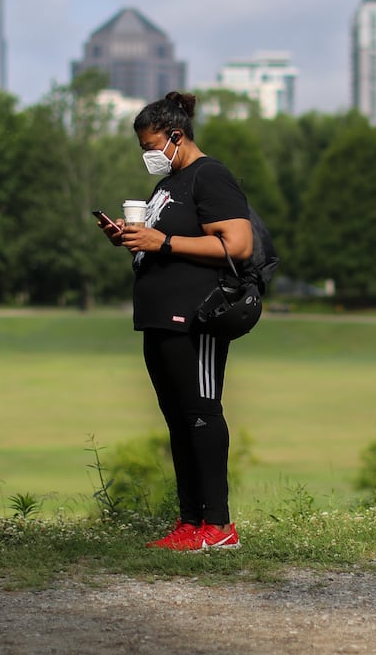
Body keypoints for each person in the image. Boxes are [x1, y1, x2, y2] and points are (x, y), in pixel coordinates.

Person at [97, 92, 253, 551]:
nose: (148, 156)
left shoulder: (211, 175)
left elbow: (237, 244)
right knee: (177, 420)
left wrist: (161, 241)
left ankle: (220, 527)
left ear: (176, 136)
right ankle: (190, 521)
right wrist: (131, 238)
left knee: (201, 415)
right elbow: (162, 238)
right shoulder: (171, 183)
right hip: (159, 319)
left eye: (151, 146)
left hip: (197, 318)